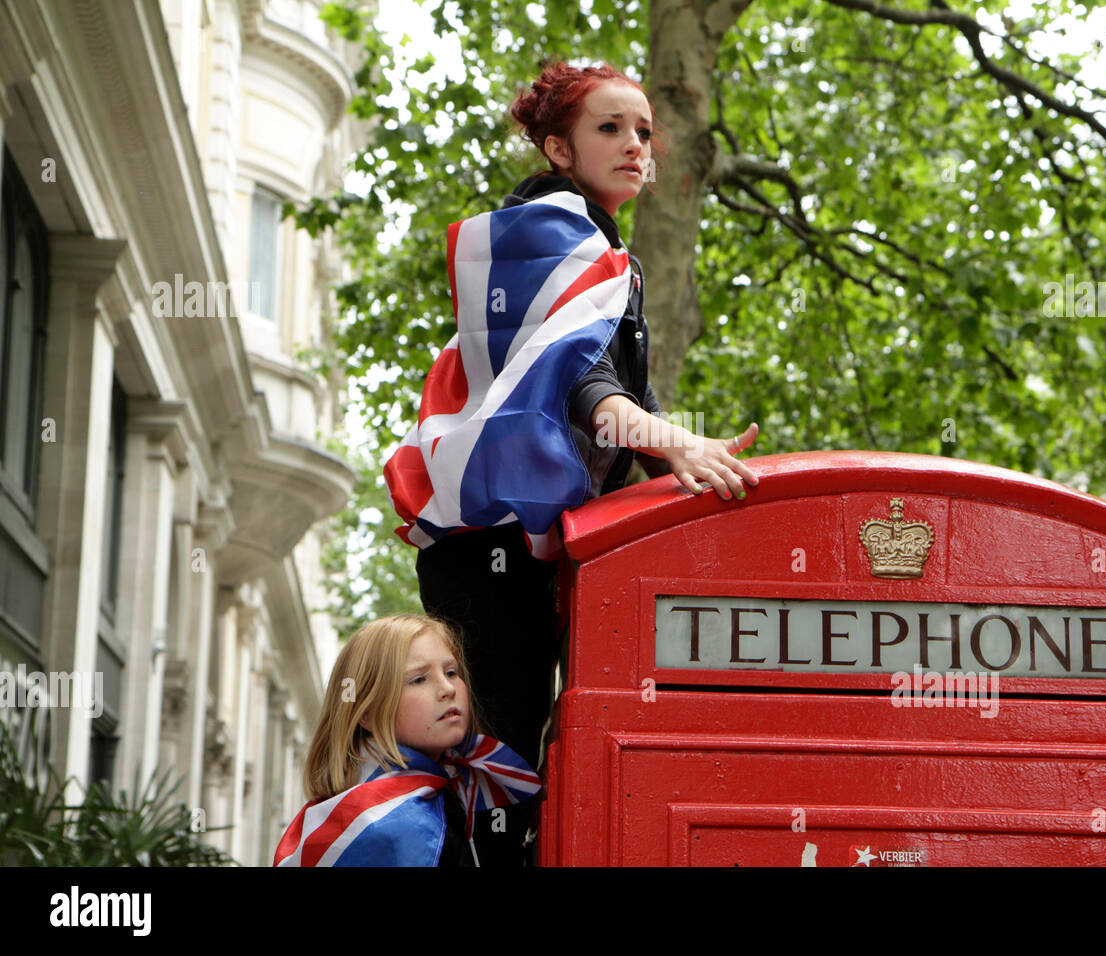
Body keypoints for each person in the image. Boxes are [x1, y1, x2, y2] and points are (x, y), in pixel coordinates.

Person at [383, 61, 760, 866]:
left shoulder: (603, 251)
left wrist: (715, 485)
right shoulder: (544, 227)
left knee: (516, 753)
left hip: (531, 544)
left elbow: (634, 398)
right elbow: (577, 382)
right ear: (558, 148)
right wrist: (669, 443)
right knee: (497, 757)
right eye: (609, 129)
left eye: (645, 132)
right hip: (490, 548)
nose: (635, 146)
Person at [273, 614, 540, 867]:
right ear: (366, 711)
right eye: (419, 679)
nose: (448, 689)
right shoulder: (392, 825)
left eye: (451, 672)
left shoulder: (446, 787)